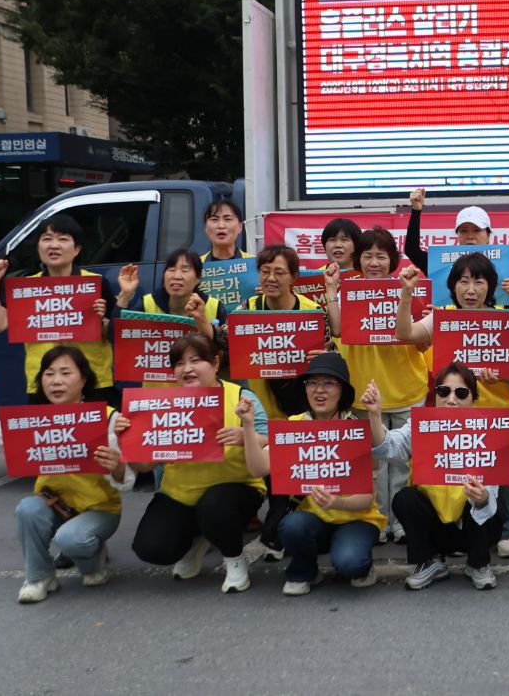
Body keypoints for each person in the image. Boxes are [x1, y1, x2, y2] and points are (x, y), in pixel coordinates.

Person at [0, 349, 131, 603]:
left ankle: (93, 556)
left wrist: (116, 465)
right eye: (49, 374)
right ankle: (39, 576)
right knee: (26, 510)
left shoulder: (108, 418)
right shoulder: (35, 420)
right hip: (53, 503)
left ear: (83, 379)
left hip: (100, 510)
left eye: (66, 373)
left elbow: (126, 478)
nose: (56, 381)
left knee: (74, 543)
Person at [394, 252, 509, 557]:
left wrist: (500, 376)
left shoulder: (505, 318)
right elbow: (405, 334)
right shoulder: (441, 316)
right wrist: (406, 294)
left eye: (478, 281)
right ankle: (455, 534)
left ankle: (506, 532)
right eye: (463, 281)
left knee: (499, 480)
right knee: (454, 477)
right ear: (453, 286)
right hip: (453, 415)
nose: (470, 289)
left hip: (495, 413)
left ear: (490, 287)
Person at [127, 332, 269, 593]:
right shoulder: (162, 405)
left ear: (215, 363)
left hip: (235, 487)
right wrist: (129, 439)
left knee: (215, 506)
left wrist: (246, 435)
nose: (187, 369)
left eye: (195, 361)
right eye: (179, 363)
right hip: (180, 493)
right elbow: (144, 467)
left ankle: (234, 560)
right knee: (152, 548)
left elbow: (272, 445)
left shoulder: (242, 397)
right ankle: (197, 539)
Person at [241, 352, 384, 595]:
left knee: (350, 564)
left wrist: (336, 501)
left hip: (357, 519)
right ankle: (305, 570)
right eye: (312, 382)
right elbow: (258, 468)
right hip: (313, 520)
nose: (320, 390)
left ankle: (362, 565)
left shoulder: (356, 431)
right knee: (291, 526)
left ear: (342, 390)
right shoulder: (295, 425)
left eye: (329, 382)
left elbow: (366, 499)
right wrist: (247, 424)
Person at [238, 244, 339, 557]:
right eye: (265, 271)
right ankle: (280, 526)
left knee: (295, 471)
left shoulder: (311, 311)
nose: (271, 278)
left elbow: (331, 356)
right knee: (272, 475)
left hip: (299, 407)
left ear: (293, 277)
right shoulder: (248, 307)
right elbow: (226, 346)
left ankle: (286, 527)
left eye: (279, 272)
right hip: (263, 407)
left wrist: (322, 356)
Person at [371, 364, 506, 591]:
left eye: (461, 393)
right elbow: (389, 447)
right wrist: (375, 414)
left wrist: (482, 497)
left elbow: (490, 502)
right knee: (404, 498)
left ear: (474, 398)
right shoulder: (422, 425)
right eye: (444, 392)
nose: (451, 399)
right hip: (433, 526)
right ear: (436, 395)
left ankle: (478, 563)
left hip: (473, 523)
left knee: (488, 499)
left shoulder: (487, 428)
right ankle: (430, 561)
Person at [341, 226, 430, 543]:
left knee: (405, 464)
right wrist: (330, 292)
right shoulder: (346, 292)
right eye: (367, 255)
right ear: (358, 260)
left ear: (392, 259)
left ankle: (403, 521)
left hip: (408, 389)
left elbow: (422, 344)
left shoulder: (410, 288)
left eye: (381, 255)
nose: (374, 262)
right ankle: (379, 519)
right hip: (364, 392)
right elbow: (338, 330)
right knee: (374, 465)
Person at [0, 213, 117, 403]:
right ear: (39, 247)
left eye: (62, 239)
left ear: (77, 249)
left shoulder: (95, 284)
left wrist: (101, 319)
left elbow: (114, 334)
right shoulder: (26, 289)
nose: (54, 245)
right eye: (47, 239)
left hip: (93, 383)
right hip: (44, 385)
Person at [115, 249, 220, 346]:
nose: (176, 276)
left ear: (198, 278)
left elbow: (227, 350)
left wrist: (202, 321)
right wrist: (125, 294)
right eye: (171, 269)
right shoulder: (147, 303)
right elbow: (116, 337)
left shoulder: (214, 306)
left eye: (184, 270)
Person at [403, 187, 494, 274]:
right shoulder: (442, 261)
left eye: (477, 230)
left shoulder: (503, 261)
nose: (470, 236)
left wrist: (508, 289)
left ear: (488, 235)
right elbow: (412, 251)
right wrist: (416, 210)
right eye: (464, 231)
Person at [202, 198, 252, 263]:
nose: (221, 226)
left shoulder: (253, 264)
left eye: (227, 219)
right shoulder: (197, 266)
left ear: (240, 227)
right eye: (214, 219)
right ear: (206, 228)